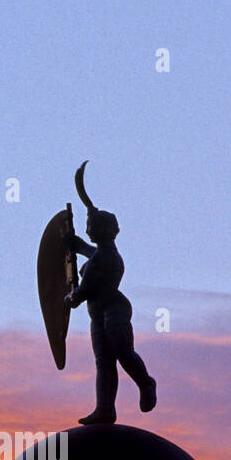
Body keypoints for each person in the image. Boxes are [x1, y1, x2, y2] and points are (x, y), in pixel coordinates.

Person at [65, 162, 157, 426]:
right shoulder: (99, 254)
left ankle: (146, 382)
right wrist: (79, 245)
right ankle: (105, 408)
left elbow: (81, 293)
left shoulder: (104, 259)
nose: (88, 230)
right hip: (98, 314)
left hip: (112, 311)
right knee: (104, 362)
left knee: (122, 352)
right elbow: (92, 251)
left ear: (105, 230)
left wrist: (67, 299)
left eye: (92, 227)